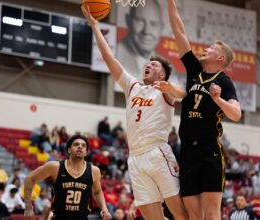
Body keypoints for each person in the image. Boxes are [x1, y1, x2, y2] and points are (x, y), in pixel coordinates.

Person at [82, 5, 188, 220]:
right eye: (148, 64)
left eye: (155, 65)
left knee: (180, 213)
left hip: (158, 152)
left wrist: (171, 88)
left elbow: (183, 93)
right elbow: (109, 58)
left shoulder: (165, 90)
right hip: (135, 157)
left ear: (163, 74)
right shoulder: (133, 87)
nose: (149, 65)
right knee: (152, 218)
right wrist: (95, 26)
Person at [167, 0, 242, 219]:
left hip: (210, 150)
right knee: (193, 213)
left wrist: (219, 100)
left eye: (210, 49)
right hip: (188, 149)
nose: (205, 49)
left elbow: (236, 114)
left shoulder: (225, 82)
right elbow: (179, 31)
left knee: (211, 213)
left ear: (220, 58)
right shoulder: (194, 69)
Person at [23, 134, 111, 220]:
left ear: (86, 152)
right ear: (69, 150)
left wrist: (104, 208)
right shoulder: (55, 167)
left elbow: (97, 192)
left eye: (83, 145)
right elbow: (29, 178)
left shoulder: (94, 171)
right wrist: (28, 207)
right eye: (76, 144)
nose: (80, 146)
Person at [116, 0, 163, 80]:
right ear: (128, 21)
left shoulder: (167, 68)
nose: (147, 31)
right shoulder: (115, 54)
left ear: (161, 28)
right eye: (140, 21)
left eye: (153, 24)